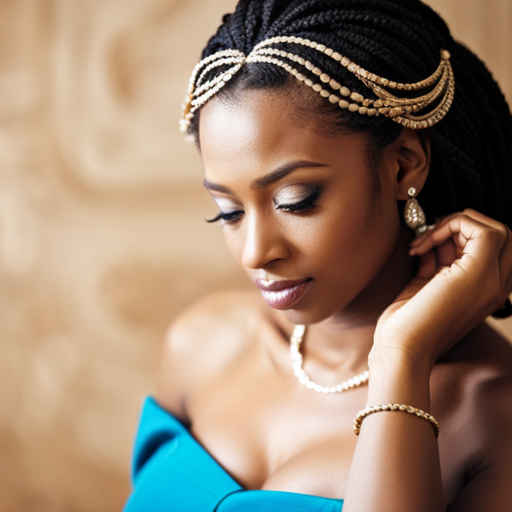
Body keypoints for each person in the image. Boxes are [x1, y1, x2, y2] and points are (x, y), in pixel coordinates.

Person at [124, 1, 512, 511]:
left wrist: (401, 358)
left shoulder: (494, 414)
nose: (255, 252)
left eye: (296, 201)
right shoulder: (202, 344)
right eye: (228, 211)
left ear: (403, 166)